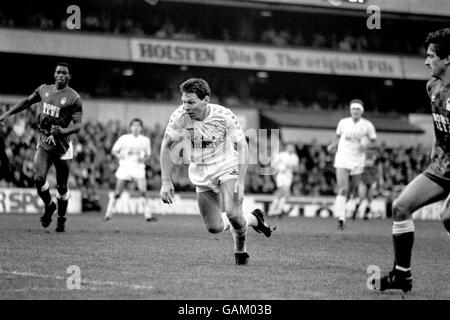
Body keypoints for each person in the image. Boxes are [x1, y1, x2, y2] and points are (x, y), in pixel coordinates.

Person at [159, 78, 273, 265]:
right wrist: (166, 181)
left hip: (226, 165)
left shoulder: (223, 116)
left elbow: (242, 146)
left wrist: (240, 182)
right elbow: (166, 146)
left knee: (233, 214)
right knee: (214, 227)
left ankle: (240, 250)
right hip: (201, 171)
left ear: (206, 100)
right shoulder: (179, 117)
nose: (186, 106)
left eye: (191, 102)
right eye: (184, 101)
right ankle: (254, 219)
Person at [375, 28, 450, 293]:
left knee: (448, 217)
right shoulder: (432, 86)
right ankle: (401, 276)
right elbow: (440, 122)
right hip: (444, 164)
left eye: (431, 56)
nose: (427, 61)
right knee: (400, 207)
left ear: (447, 59)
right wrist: (435, 145)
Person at [0, 62, 82, 232]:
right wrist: (7, 114)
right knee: (38, 179)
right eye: (58, 72)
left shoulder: (74, 98)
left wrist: (63, 130)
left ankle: (61, 219)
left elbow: (78, 126)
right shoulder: (44, 89)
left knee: (62, 187)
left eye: (64, 73)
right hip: (44, 140)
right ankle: (49, 205)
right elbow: (27, 102)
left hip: (63, 145)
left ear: (69, 76)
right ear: (54, 74)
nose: (60, 75)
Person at [327, 99, 377, 230]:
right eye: (353, 109)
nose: (355, 111)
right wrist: (333, 145)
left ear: (362, 111)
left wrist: (366, 146)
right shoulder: (343, 122)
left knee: (350, 192)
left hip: (358, 161)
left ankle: (341, 205)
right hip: (342, 159)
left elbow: (373, 141)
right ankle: (341, 218)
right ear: (350, 110)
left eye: (358, 109)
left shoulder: (367, 125)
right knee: (343, 189)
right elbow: (337, 136)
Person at [104, 118, 157, 222]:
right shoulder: (124, 138)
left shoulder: (145, 140)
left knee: (143, 191)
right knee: (118, 192)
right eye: (134, 125)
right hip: (125, 167)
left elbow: (148, 155)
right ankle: (108, 214)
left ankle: (148, 216)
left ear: (141, 128)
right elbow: (114, 151)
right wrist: (120, 156)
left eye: (138, 126)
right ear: (130, 127)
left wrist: (143, 159)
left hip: (138, 167)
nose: (136, 128)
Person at [268, 142, 299, 217]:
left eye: (292, 147)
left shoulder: (295, 157)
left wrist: (289, 167)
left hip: (289, 176)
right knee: (285, 192)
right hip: (281, 176)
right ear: (286, 147)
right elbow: (273, 165)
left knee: (280, 194)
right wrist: (279, 168)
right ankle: (278, 210)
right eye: (289, 147)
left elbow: (296, 168)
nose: (291, 148)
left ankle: (272, 210)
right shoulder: (281, 155)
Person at [351, 143, 379, 220]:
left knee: (370, 197)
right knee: (362, 197)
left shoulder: (374, 157)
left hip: (372, 179)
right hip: (363, 178)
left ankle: (366, 213)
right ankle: (355, 210)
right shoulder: (363, 156)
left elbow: (377, 168)